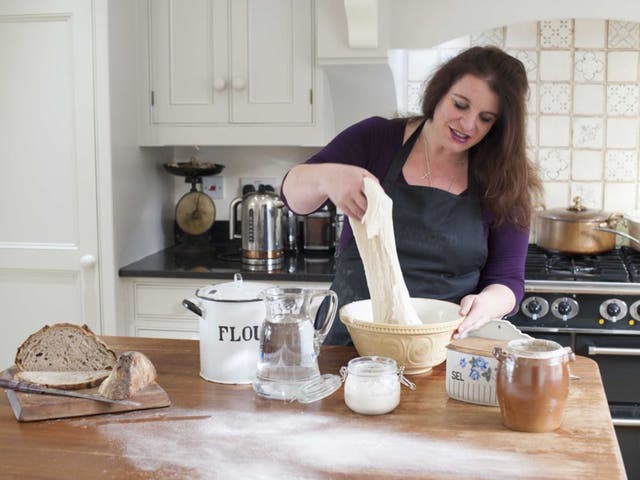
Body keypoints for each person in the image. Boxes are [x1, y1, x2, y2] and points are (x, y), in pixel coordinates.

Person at [281, 46, 542, 345]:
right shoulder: (375, 139)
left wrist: (489, 304)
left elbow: (508, 280)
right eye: (460, 105)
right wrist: (327, 176)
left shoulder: (503, 177)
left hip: (444, 346)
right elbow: (293, 197)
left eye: (485, 118)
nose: (468, 125)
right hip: (351, 341)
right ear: (439, 92)